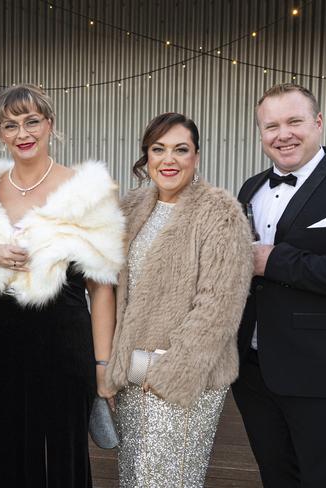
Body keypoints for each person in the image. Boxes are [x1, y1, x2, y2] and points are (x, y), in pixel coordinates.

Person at [0, 84, 124, 487]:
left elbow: (101, 289)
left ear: (49, 124)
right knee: (1, 451)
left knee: (60, 456)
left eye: (32, 121)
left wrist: (102, 366)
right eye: (10, 125)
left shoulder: (84, 191)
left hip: (64, 345)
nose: (23, 133)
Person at [106, 112, 253, 487]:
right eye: (158, 149)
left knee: (169, 478)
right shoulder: (133, 206)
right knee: (135, 475)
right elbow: (112, 288)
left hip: (185, 378)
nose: (168, 159)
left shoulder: (220, 213)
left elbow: (219, 306)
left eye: (180, 149)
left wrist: (172, 373)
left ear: (197, 157)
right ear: (147, 156)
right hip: (132, 375)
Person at [232, 83, 326, 487]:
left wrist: (274, 261)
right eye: (271, 126)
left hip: (319, 370)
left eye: (294, 122)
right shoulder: (250, 189)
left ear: (318, 123)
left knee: (325, 478)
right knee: (275, 474)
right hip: (252, 369)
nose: (283, 134)